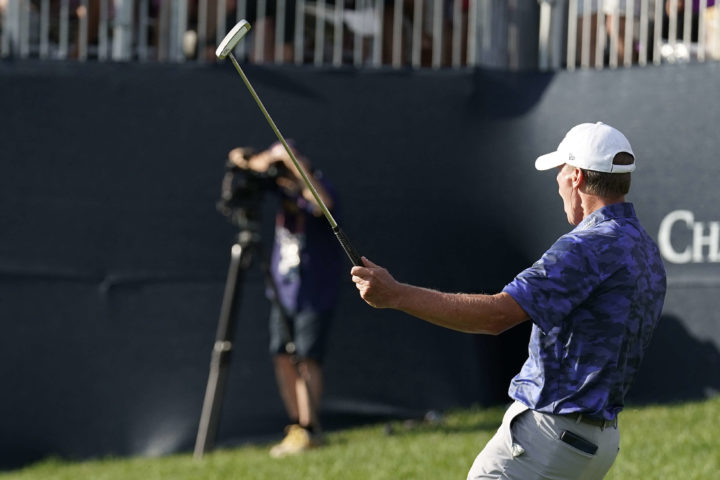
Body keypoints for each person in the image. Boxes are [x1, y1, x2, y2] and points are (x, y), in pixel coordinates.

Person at [351, 122, 667, 479]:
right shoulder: (643, 246)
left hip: (549, 437)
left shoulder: (584, 247)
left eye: (561, 171)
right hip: (598, 443)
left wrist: (396, 294)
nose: (557, 180)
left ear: (576, 177)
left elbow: (496, 316)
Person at [227, 141, 343, 458]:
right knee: (282, 355)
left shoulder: (313, 186)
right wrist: (254, 159)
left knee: (306, 358)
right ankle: (295, 424)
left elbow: (323, 204)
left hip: (313, 290)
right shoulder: (280, 189)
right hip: (283, 288)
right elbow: (246, 163)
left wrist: (294, 164)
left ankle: (310, 427)